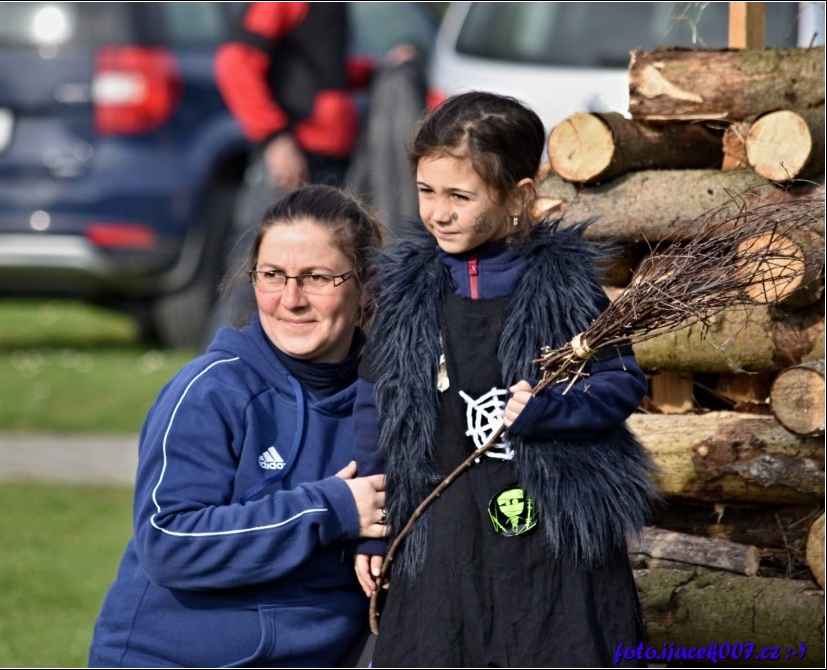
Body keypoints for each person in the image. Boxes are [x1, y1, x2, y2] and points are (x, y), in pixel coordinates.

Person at [351, 91, 663, 667]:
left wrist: (552, 410)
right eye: (426, 191)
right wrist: (376, 528)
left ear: (518, 196)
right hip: (443, 537)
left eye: (459, 196)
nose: (438, 212)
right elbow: (375, 409)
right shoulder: (404, 296)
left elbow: (621, 381)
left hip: (554, 544)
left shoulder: (565, 289)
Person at [87, 184, 390, 668]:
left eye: (316, 278)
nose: (290, 299)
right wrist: (329, 509)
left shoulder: (391, 402)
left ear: (367, 285)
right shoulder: (210, 391)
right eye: (272, 275)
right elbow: (168, 542)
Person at [206, 2, 417, 343]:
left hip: (327, 163)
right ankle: (220, 367)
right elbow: (235, 62)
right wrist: (274, 138)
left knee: (315, 280)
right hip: (291, 161)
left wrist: (380, 70)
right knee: (254, 274)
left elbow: (322, 71)